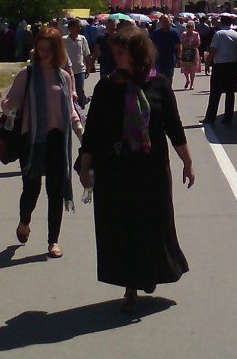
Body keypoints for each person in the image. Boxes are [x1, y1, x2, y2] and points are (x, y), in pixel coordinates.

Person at [79, 25, 194, 314]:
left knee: (154, 224)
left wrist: (188, 162)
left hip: (152, 168)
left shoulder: (160, 85)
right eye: (114, 52)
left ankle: (151, 273)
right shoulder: (106, 87)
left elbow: (173, 127)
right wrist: (85, 165)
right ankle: (130, 285)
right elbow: (92, 131)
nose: (115, 57)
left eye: (121, 52)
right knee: (122, 228)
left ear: (137, 53)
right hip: (115, 170)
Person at [2, 28, 83, 259]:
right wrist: (10, 105)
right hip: (33, 140)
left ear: (57, 50)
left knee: (55, 192)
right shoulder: (27, 75)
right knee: (32, 188)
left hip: (58, 140)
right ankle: (24, 222)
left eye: (49, 49)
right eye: (41, 48)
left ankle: (53, 241)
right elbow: (10, 101)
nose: (44, 52)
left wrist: (80, 133)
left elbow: (70, 112)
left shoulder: (65, 77)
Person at [203, 15, 237, 124]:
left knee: (215, 93)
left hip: (219, 66)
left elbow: (213, 50)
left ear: (221, 23)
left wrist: (207, 63)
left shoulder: (218, 34)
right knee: (230, 93)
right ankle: (228, 117)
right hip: (232, 65)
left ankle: (210, 118)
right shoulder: (236, 35)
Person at [64, 19, 93, 108]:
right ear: (70, 28)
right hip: (67, 70)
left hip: (80, 69)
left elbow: (87, 55)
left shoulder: (82, 39)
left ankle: (81, 107)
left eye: (80, 27)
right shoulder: (64, 40)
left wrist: (88, 68)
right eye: (77, 27)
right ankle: (72, 107)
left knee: (79, 90)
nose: (79, 28)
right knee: (69, 90)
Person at [149, 15, 182, 84]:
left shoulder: (174, 33)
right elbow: (152, 46)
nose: (166, 23)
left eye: (167, 21)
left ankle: (167, 91)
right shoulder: (156, 33)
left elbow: (178, 46)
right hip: (159, 59)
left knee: (169, 77)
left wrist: (179, 58)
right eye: (164, 22)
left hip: (170, 59)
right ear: (161, 22)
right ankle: (161, 92)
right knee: (159, 77)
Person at [180, 21, 202, 90]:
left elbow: (198, 43)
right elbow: (181, 42)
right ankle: (187, 80)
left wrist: (193, 45)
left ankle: (192, 83)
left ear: (193, 27)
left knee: (193, 69)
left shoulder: (196, 34)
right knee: (185, 68)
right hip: (185, 51)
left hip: (193, 52)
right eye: (188, 27)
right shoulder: (184, 34)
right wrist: (186, 44)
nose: (189, 28)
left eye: (190, 27)